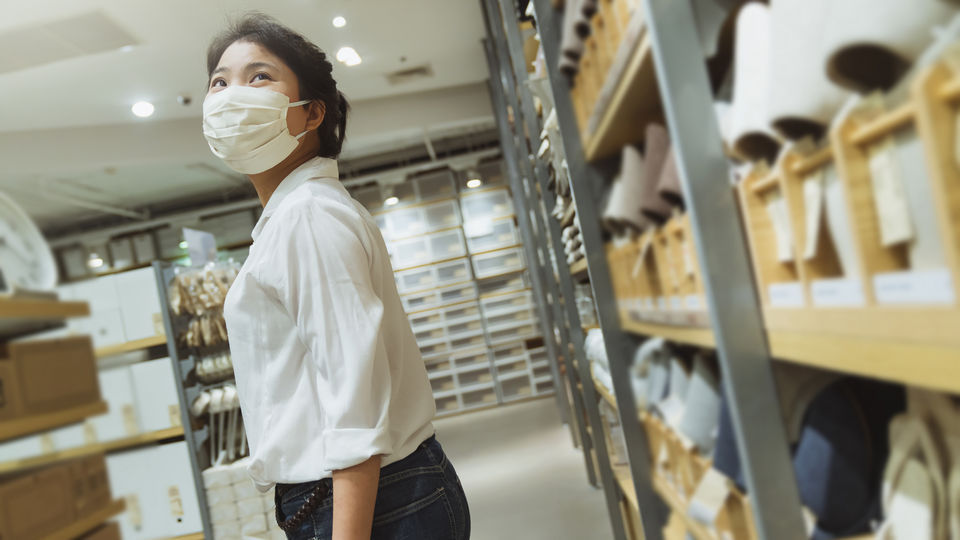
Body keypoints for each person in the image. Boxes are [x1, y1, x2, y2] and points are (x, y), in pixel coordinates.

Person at [205, 13, 470, 540]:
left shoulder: (307, 216)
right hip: (367, 495)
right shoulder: (298, 214)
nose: (232, 94)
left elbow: (355, 398)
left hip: (369, 501)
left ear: (310, 114)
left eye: (259, 77)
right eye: (219, 81)